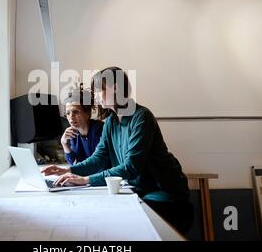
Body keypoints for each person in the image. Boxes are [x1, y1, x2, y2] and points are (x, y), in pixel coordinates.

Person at [43, 67, 194, 235]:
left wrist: (85, 180)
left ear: (115, 88)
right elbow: (99, 158)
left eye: (99, 90)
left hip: (164, 192)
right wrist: (68, 170)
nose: (96, 96)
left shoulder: (142, 117)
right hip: (139, 190)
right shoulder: (111, 121)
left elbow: (131, 167)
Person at [61, 87, 104, 165]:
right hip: (84, 175)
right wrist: (64, 143)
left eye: (75, 112)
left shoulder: (99, 130)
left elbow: (98, 164)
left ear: (87, 112)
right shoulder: (73, 133)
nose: (71, 117)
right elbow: (74, 163)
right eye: (68, 113)